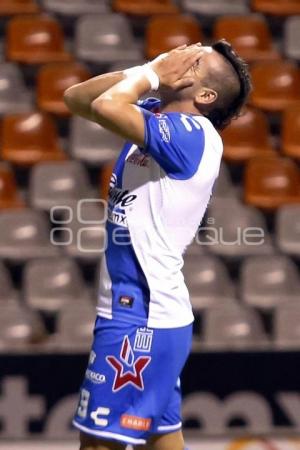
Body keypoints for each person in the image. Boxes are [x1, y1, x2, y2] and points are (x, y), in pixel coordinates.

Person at [64, 40, 252, 450]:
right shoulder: (157, 118)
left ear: (205, 96)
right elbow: (77, 98)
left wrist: (151, 76)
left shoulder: (191, 134)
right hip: (149, 313)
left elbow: (105, 107)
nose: (179, 55)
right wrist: (153, 67)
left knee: (98, 444)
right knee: (163, 440)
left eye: (195, 61)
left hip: (140, 317)